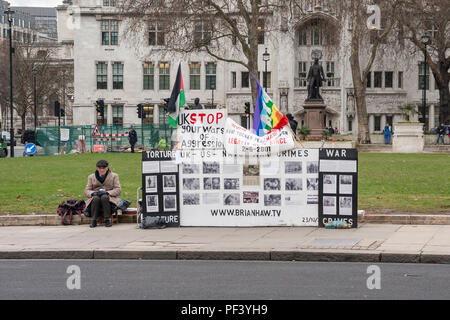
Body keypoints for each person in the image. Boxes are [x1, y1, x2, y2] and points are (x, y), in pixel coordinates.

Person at [84, 160, 122, 228]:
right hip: (95, 199)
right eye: (99, 168)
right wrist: (93, 193)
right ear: (97, 168)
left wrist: (107, 192)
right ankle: (94, 220)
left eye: (103, 168)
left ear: (107, 168)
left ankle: (107, 219)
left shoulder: (114, 176)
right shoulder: (91, 177)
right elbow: (86, 191)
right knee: (96, 198)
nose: (102, 170)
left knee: (104, 197)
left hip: (109, 199)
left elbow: (118, 190)